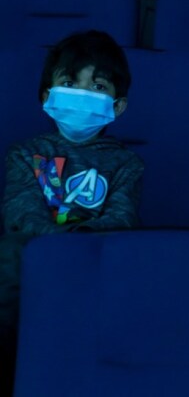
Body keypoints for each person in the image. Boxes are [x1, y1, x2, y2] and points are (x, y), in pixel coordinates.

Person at [0, 30, 143, 394]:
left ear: (118, 105)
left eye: (97, 86)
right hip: (32, 258)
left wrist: (72, 248)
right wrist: (56, 249)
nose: (82, 94)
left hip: (98, 259)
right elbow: (22, 212)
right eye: (69, 82)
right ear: (47, 97)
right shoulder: (26, 153)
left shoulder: (127, 163)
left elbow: (121, 218)